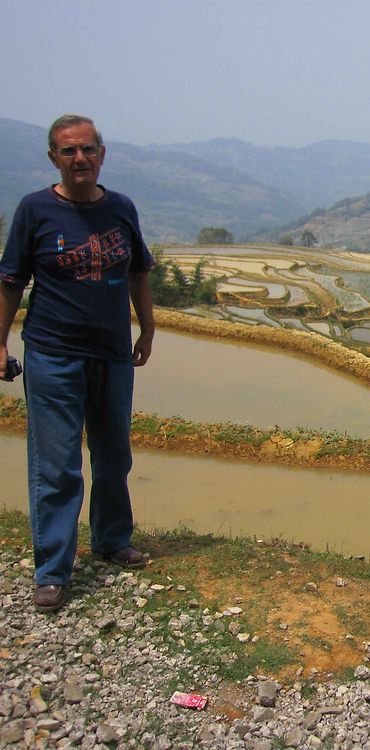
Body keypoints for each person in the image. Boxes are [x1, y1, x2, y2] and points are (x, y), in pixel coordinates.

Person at [0, 114, 156, 613]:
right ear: (53, 158)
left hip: (111, 352)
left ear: (102, 154)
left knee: (114, 455)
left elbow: (138, 271)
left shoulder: (120, 209)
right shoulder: (35, 210)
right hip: (52, 353)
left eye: (87, 149)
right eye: (68, 152)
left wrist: (147, 326)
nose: (79, 159)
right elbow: (10, 281)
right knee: (58, 465)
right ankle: (52, 570)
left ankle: (111, 539)